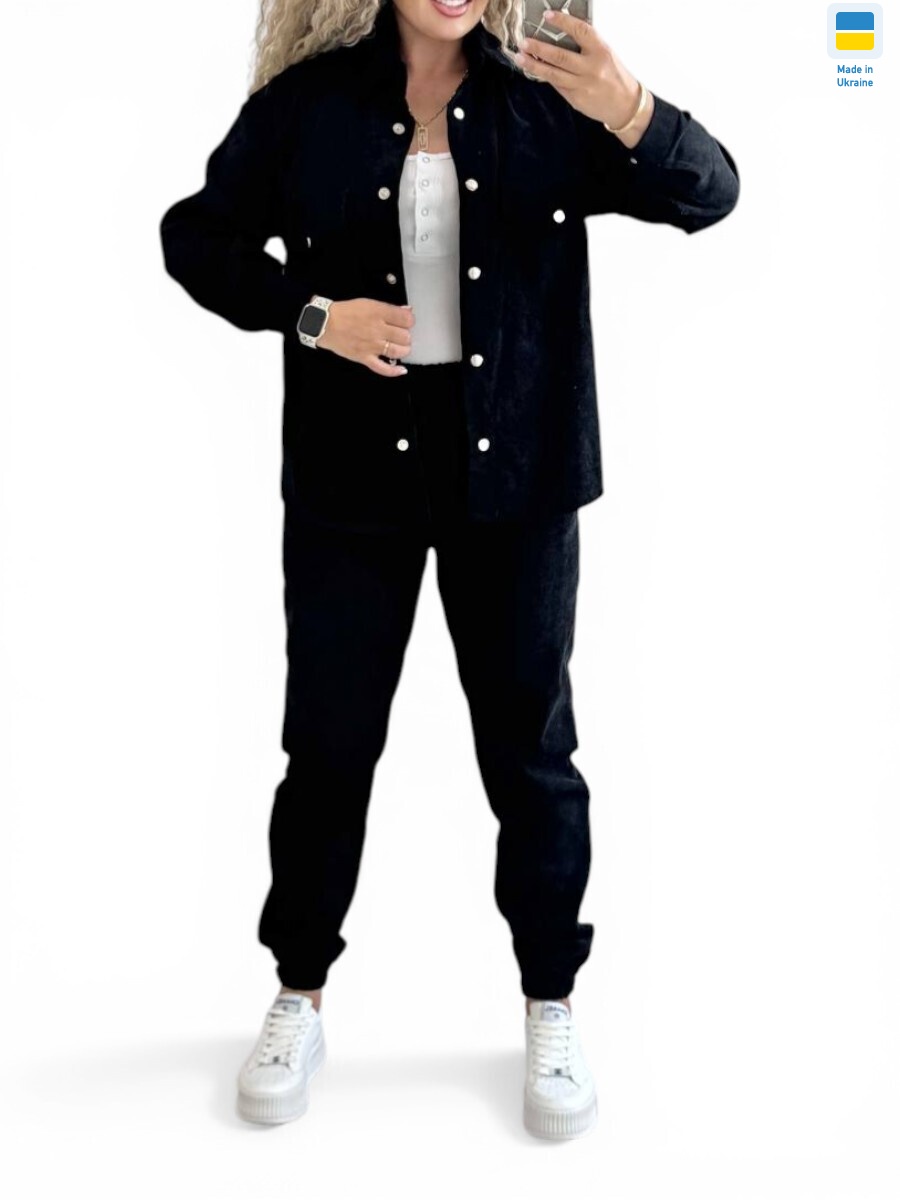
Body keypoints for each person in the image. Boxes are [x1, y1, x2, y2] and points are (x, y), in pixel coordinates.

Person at [159, 0, 739, 1140]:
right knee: (327, 748)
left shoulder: (549, 102)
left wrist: (627, 105)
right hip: (351, 487)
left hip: (517, 482)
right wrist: (314, 317)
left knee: (532, 754)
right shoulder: (309, 108)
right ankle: (298, 992)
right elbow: (196, 238)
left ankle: (551, 1001)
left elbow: (710, 192)